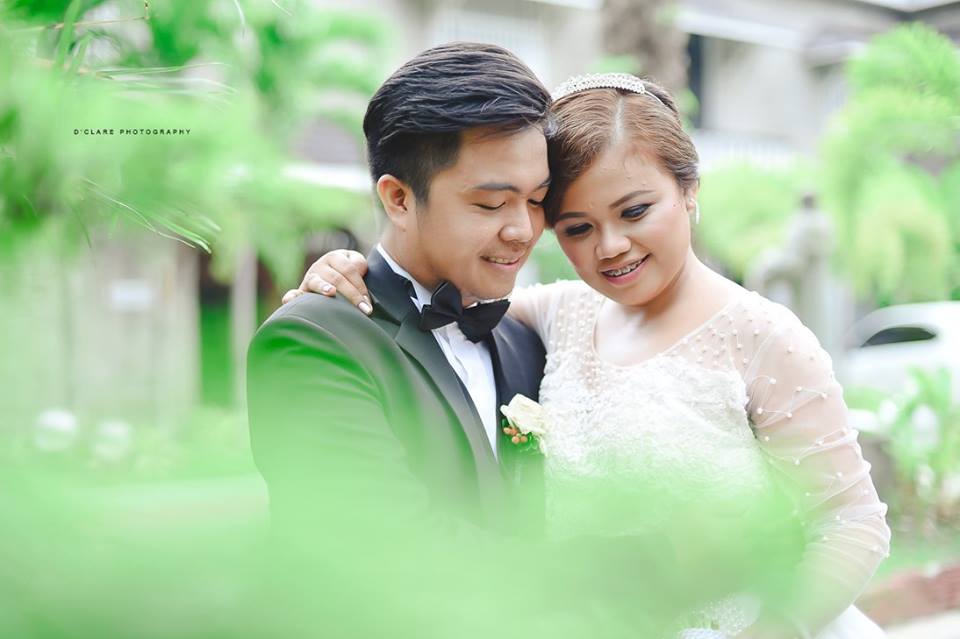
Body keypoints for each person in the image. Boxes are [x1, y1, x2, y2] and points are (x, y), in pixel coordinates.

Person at [290, 72, 891, 639]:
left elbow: (853, 521)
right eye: (577, 228)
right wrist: (345, 269)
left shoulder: (764, 336)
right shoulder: (558, 313)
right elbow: (421, 308)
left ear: (689, 191)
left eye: (635, 211)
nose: (611, 246)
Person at [248, 48, 678, 638]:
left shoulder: (526, 339)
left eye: (536, 201)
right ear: (399, 198)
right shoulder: (313, 343)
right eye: (491, 203)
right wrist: (640, 565)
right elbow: (389, 553)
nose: (522, 230)